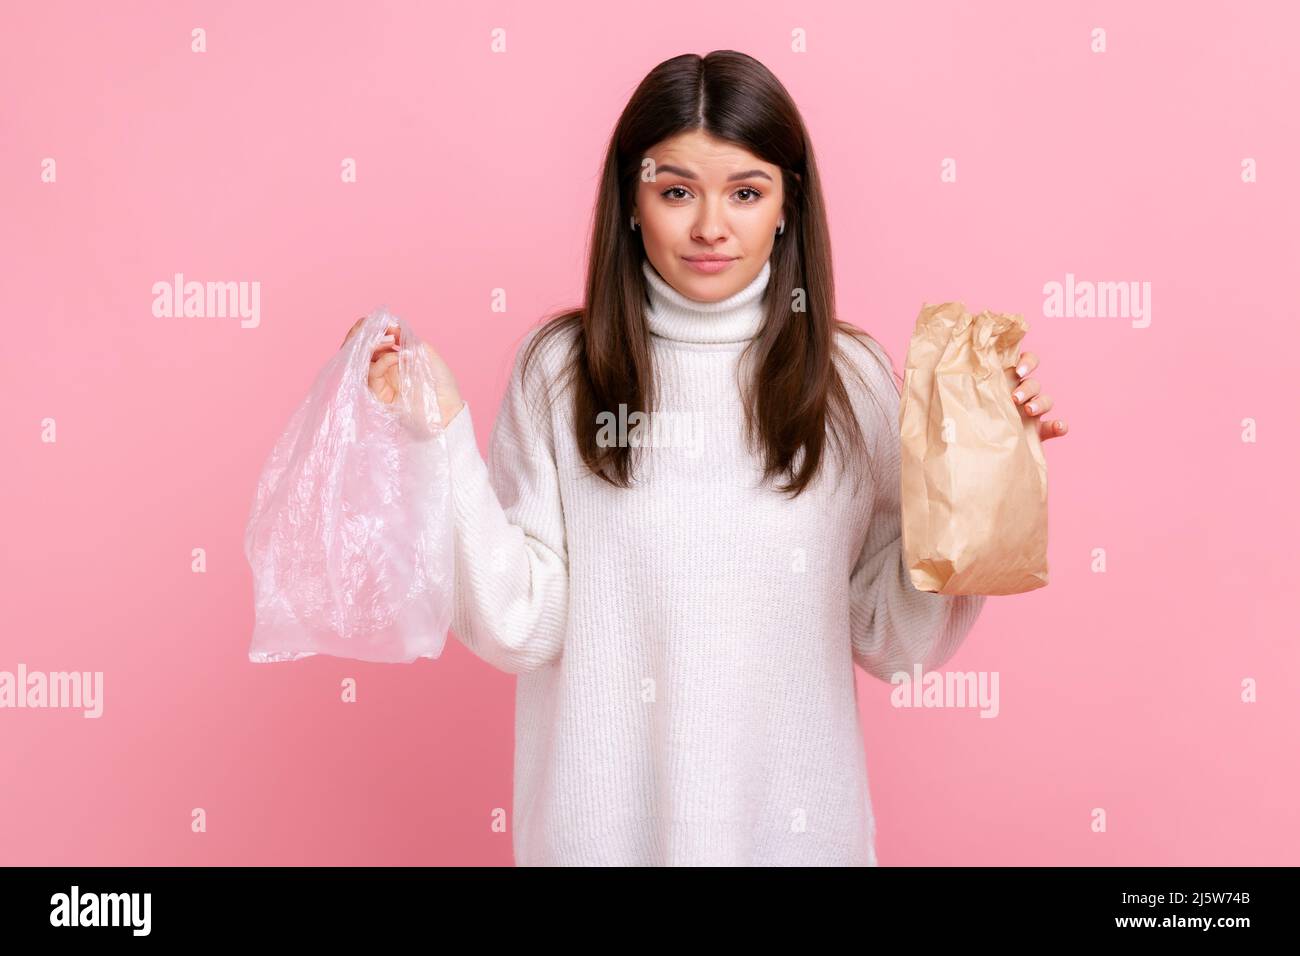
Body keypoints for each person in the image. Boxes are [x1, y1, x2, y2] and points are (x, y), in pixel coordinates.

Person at [342, 50, 1068, 866]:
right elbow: (519, 622)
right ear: (630, 201)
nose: (711, 226)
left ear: (788, 205)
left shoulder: (850, 381)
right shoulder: (560, 370)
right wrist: (436, 435)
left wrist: (982, 480)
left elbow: (890, 638)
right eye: (676, 190)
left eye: (747, 192)